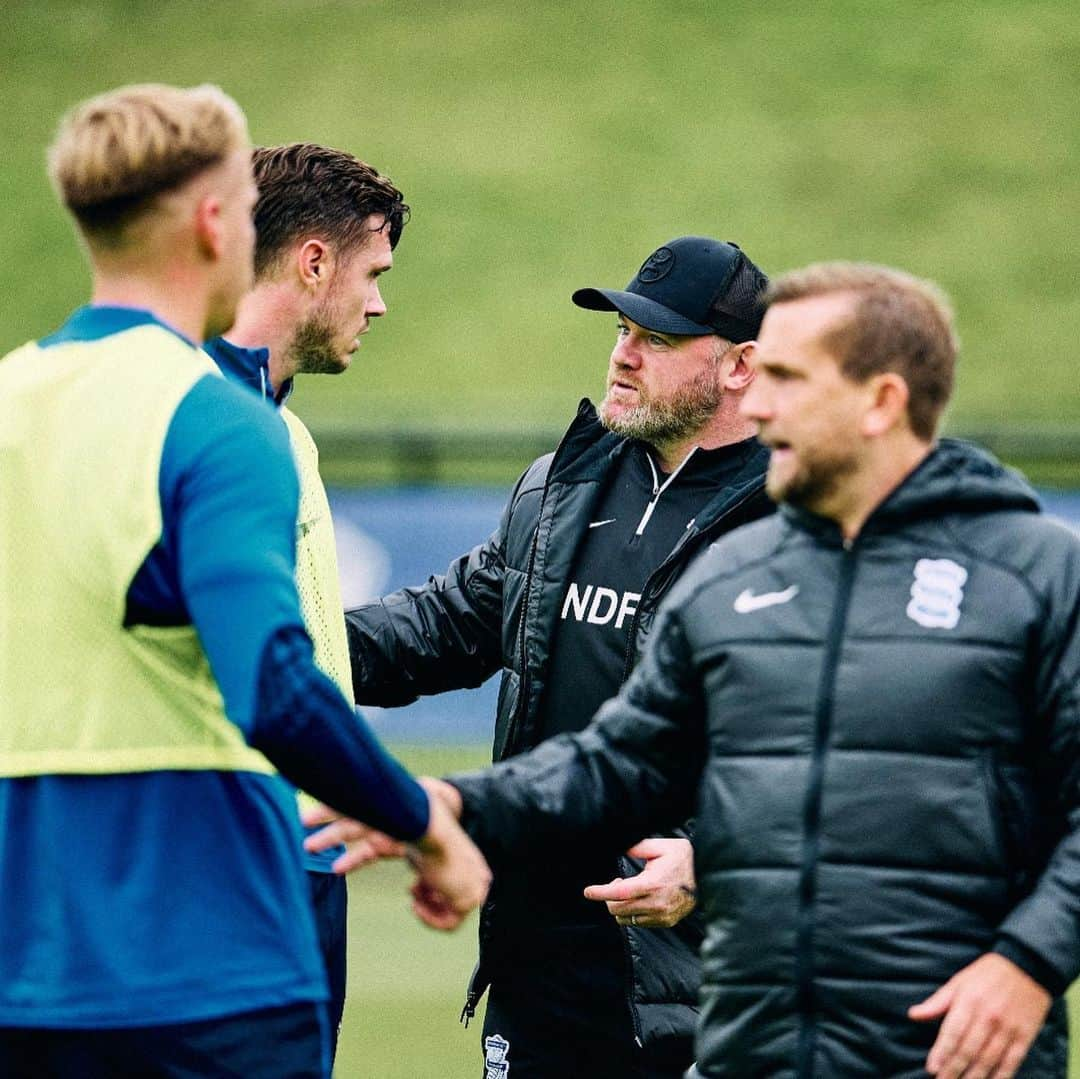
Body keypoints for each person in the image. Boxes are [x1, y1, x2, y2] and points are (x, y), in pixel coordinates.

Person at [313, 261, 1080, 1077]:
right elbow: (617, 762)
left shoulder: (1030, 573)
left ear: (882, 401)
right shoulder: (734, 575)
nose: (762, 405)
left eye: (787, 377)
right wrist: (447, 802)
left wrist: (1026, 964)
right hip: (741, 1042)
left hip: (945, 1049)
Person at [0, 84, 488, 1079]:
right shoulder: (219, 420)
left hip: (28, 956)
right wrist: (425, 819)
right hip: (209, 955)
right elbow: (272, 683)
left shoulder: (13, 396)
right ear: (219, 222)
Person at [343, 236, 774, 1077]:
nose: (622, 356)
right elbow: (444, 624)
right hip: (539, 968)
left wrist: (716, 864)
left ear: (740, 365)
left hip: (701, 979)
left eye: (655, 338)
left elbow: (840, 756)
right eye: (620, 330)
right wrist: (277, 643)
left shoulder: (797, 518)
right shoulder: (562, 484)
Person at [203, 140, 406, 1061]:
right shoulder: (197, 423)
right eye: (371, 273)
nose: (378, 303)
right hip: (226, 870)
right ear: (313, 260)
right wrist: (420, 818)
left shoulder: (282, 426)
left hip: (300, 862)